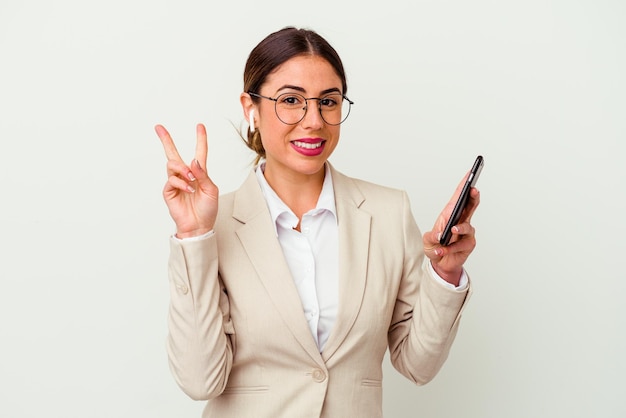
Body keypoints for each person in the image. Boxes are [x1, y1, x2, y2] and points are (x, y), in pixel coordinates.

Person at [155, 26, 480, 418]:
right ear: (250, 108)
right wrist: (194, 237)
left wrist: (445, 274)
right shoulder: (214, 225)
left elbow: (418, 364)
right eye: (291, 100)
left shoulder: (388, 213)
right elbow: (199, 380)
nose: (314, 121)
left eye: (328, 101)